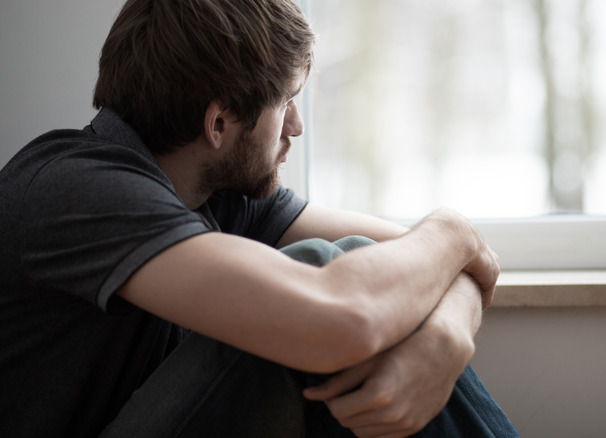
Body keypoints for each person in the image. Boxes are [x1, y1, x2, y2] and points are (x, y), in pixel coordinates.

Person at [0, 0, 519, 437]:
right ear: (219, 122)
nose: (296, 125)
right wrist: (452, 226)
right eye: (286, 101)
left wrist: (444, 341)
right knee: (320, 276)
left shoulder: (210, 191)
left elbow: (447, 261)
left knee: (366, 264)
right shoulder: (78, 189)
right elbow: (350, 314)